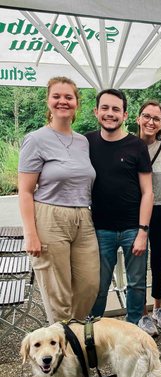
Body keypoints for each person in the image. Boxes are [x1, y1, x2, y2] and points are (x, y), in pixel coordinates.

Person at [18, 77, 99, 324]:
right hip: (49, 218)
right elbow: (25, 191)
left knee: (89, 283)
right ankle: (63, 348)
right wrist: (30, 233)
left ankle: (71, 334)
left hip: (83, 218)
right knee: (58, 292)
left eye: (68, 97)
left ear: (76, 103)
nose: (62, 101)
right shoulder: (35, 139)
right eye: (57, 96)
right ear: (49, 101)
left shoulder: (83, 141)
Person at [87, 89, 154, 326]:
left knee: (136, 283)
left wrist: (143, 232)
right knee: (99, 284)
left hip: (132, 229)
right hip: (99, 230)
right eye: (105, 108)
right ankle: (93, 330)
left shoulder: (136, 146)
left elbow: (148, 192)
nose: (110, 114)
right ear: (96, 112)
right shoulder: (86, 142)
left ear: (125, 115)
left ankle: (133, 328)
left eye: (116, 109)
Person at [135, 100, 161, 335]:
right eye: (147, 116)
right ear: (138, 118)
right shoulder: (129, 144)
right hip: (138, 211)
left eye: (156, 118)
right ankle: (142, 314)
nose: (151, 121)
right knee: (138, 263)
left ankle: (158, 307)